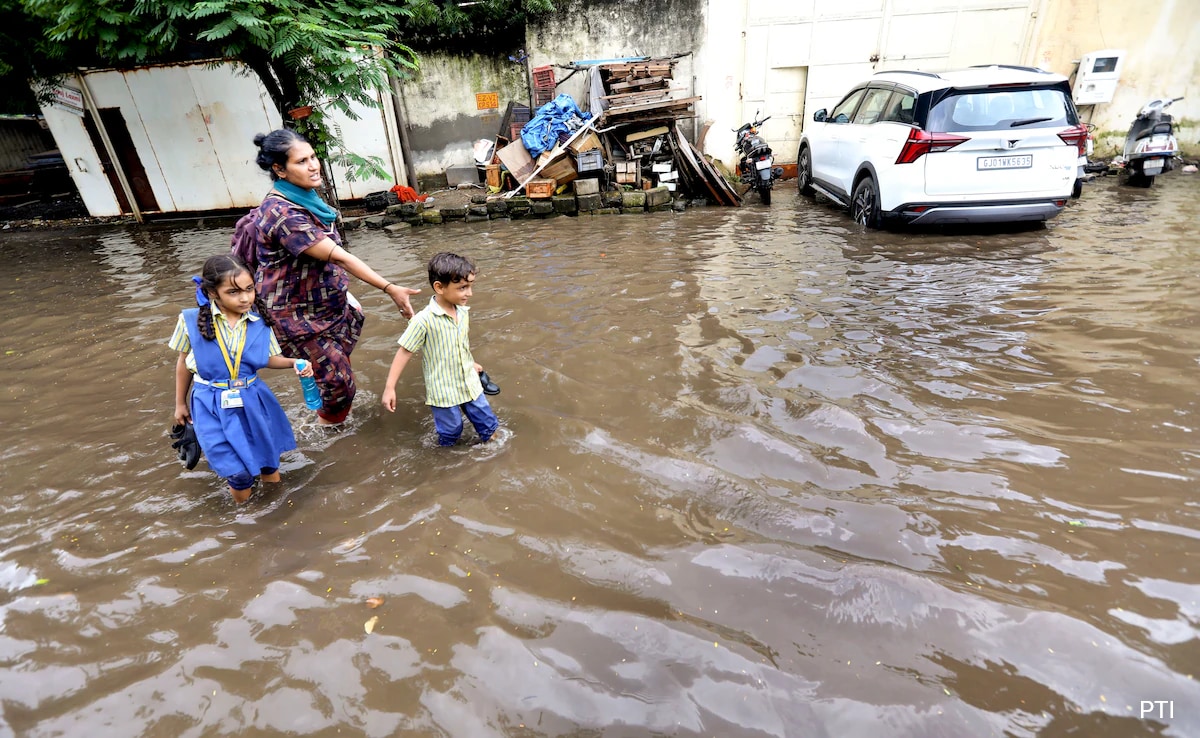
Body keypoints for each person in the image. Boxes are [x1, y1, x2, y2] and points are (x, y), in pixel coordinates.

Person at [247, 129, 420, 425]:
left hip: (325, 304)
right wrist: (389, 287)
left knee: (335, 369)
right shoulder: (282, 212)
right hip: (297, 317)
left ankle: (326, 404)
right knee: (340, 385)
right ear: (279, 169)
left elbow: (328, 258)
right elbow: (338, 254)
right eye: (302, 161)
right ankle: (328, 433)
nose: (313, 165)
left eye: (313, 157)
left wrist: (344, 291)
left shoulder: (308, 199)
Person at [169, 254, 313, 503]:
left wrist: (293, 363)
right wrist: (180, 403)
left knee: (268, 462)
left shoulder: (260, 321)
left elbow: (267, 358)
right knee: (237, 474)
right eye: (233, 292)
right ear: (213, 292)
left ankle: (275, 512)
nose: (245, 298)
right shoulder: (190, 321)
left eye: (249, 289)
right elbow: (184, 362)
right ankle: (247, 517)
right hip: (209, 402)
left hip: (253, 398)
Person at [381, 252, 499, 446]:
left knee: (489, 424)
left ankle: (496, 453)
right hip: (443, 391)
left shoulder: (462, 311)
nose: (469, 293)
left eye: (470, 286)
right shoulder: (423, 320)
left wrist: (472, 362)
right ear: (439, 287)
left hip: (469, 382)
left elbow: (460, 344)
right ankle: (447, 462)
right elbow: (404, 351)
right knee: (451, 432)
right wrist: (390, 387)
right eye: (463, 288)